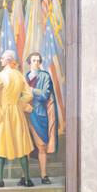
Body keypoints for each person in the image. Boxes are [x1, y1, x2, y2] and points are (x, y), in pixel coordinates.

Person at [0, 50, 35, 188]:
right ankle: (27, 179)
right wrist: (19, 104)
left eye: (2, 59)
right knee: (21, 144)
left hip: (4, 114)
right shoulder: (19, 75)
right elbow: (29, 95)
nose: (0, 61)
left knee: (1, 145)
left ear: (7, 60)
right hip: (17, 114)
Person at [24, 51, 57, 184]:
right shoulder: (24, 77)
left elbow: (44, 95)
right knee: (25, 147)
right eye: (34, 61)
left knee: (42, 146)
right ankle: (25, 176)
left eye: (38, 60)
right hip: (25, 115)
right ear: (29, 63)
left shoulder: (45, 76)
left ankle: (44, 175)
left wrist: (31, 90)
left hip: (39, 114)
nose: (36, 63)